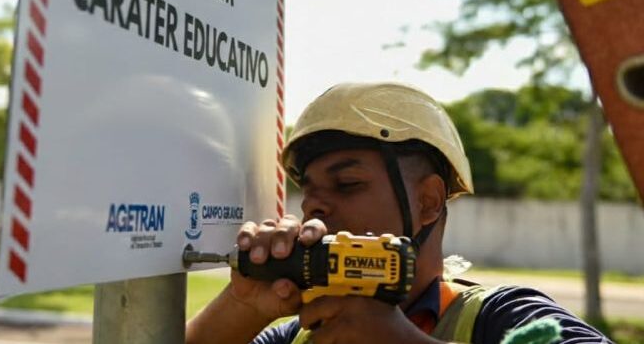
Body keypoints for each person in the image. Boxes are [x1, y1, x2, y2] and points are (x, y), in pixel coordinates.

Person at [185, 82, 610, 344]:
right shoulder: (302, 332)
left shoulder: (501, 318)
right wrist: (243, 306)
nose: (313, 205)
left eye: (347, 184)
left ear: (427, 201)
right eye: (308, 191)